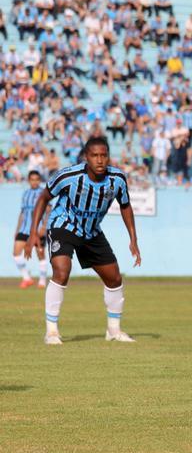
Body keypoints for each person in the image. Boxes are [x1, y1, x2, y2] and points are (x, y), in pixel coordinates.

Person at [26, 137, 142, 345]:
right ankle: (51, 332)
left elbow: (125, 206)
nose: (99, 160)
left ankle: (113, 331)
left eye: (103, 155)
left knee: (114, 278)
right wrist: (33, 233)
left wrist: (133, 239)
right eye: (94, 155)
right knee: (62, 270)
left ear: (108, 156)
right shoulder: (69, 175)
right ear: (86, 157)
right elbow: (43, 197)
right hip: (64, 225)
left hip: (91, 232)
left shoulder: (117, 179)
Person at [13, 170, 48, 289]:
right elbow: (22, 213)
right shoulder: (26, 193)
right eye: (32, 179)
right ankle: (27, 278)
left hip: (38, 230)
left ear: (39, 180)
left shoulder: (44, 193)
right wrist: (17, 229)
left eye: (36, 179)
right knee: (16, 253)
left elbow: (48, 211)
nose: (34, 182)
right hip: (24, 229)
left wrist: (44, 227)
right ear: (29, 181)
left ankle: (42, 281)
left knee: (40, 254)